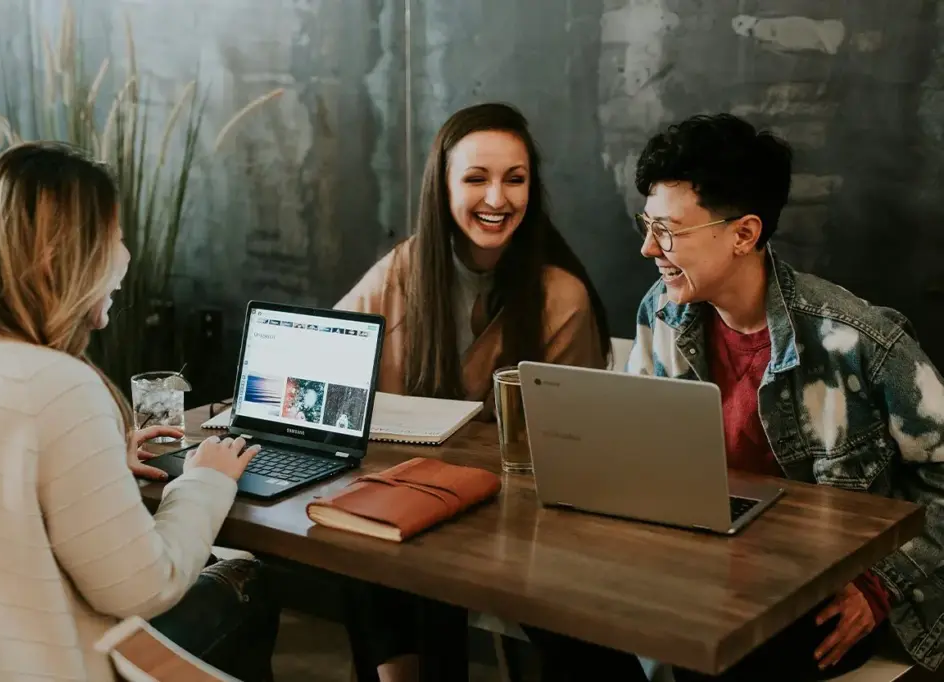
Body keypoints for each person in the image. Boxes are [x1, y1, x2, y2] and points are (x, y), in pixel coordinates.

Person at [0, 141, 279, 682]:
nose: (125, 258)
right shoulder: (62, 386)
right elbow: (144, 586)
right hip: (51, 663)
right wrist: (202, 482)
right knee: (251, 580)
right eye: (114, 239)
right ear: (66, 256)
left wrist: (103, 461)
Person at [627, 113, 944, 679]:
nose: (651, 249)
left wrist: (880, 584)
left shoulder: (859, 340)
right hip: (702, 573)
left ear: (745, 234)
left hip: (818, 591)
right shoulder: (662, 311)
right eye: (646, 225)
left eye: (669, 230)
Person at [334, 102, 624, 681]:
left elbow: (569, 449)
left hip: (517, 524)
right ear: (441, 188)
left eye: (514, 180)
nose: (497, 198)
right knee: (365, 538)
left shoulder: (559, 296)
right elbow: (328, 364)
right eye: (475, 179)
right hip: (408, 505)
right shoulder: (401, 271)